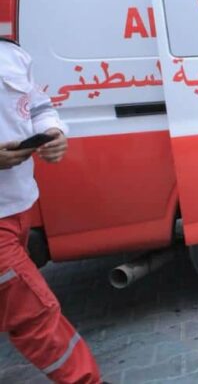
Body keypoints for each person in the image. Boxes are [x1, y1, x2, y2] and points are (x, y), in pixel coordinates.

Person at [1, 38, 103, 383]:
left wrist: (53, 133)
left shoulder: (10, 54)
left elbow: (38, 106)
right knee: (34, 313)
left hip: (19, 203)